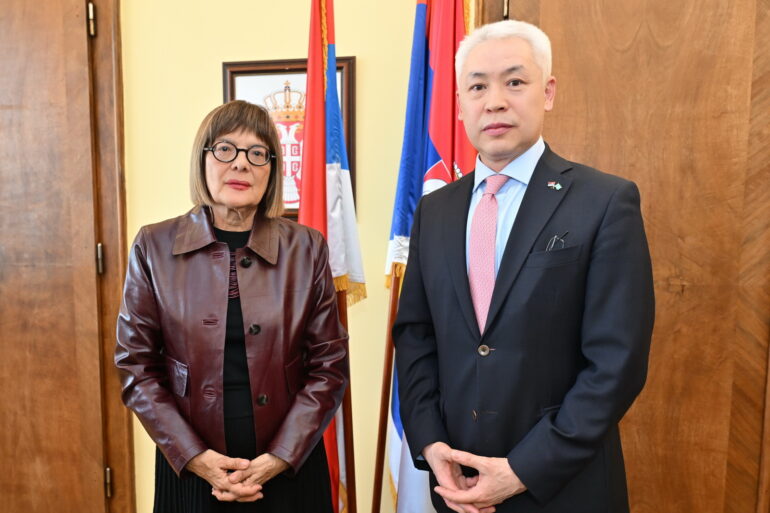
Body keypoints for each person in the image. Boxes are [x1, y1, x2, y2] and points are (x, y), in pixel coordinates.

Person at [393, 20, 655, 513]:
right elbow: (415, 337)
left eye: (514, 82)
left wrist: (523, 470)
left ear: (547, 92)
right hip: (456, 487)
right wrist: (430, 443)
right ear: (460, 103)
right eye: (477, 87)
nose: (494, 102)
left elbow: (616, 364)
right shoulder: (435, 210)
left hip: (562, 489)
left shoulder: (604, 202)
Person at [115, 100, 348, 513]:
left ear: (271, 170)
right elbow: (136, 367)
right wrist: (194, 457)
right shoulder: (153, 247)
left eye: (257, 153)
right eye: (225, 149)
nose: (241, 163)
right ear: (202, 159)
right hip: (190, 468)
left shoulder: (306, 248)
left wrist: (279, 456)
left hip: (289, 466)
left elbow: (329, 366)